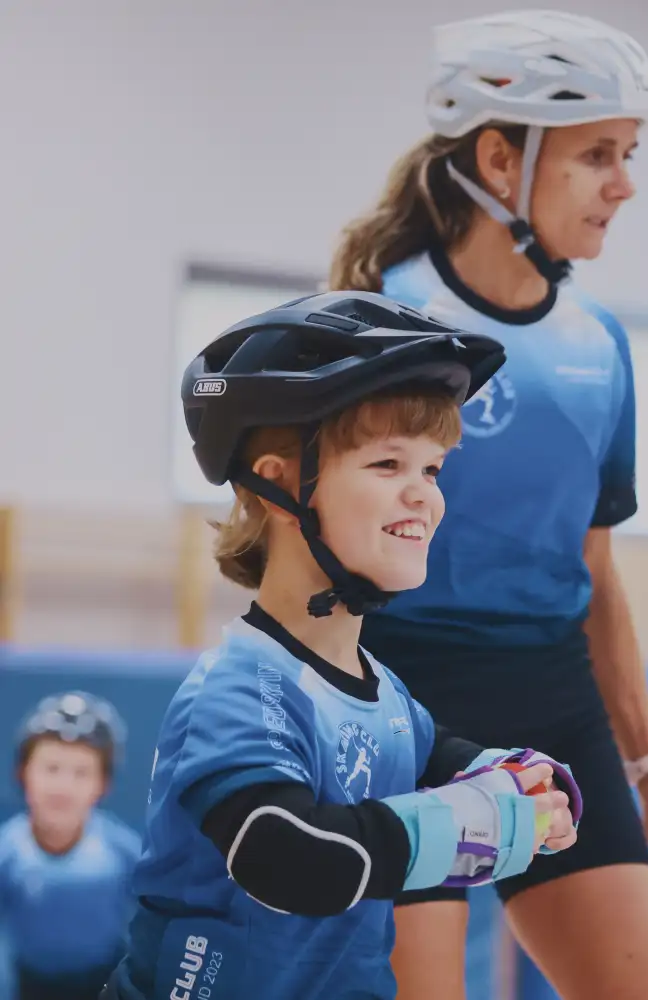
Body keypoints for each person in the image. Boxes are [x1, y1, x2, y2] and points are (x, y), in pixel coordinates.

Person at [329, 10, 648, 1000]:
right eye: (596, 155)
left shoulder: (600, 347)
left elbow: (596, 580)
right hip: (399, 707)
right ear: (500, 159)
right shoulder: (380, 318)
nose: (624, 184)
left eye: (627, 154)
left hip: (554, 709)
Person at [101, 291, 582, 1000]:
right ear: (278, 486)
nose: (424, 496)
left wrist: (525, 778)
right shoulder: (237, 688)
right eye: (388, 464)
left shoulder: (384, 693)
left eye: (432, 469)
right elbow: (288, 859)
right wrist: (485, 819)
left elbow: (436, 757)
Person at [0, 691, 141, 1000]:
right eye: (51, 768)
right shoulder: (7, 853)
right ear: (23, 773)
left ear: (103, 784)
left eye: (81, 773)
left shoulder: (123, 852)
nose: (64, 786)